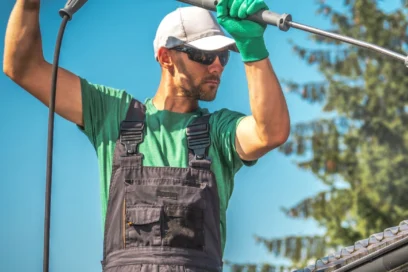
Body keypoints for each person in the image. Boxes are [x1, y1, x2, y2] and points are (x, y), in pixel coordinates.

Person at [3, 0, 290, 271]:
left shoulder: (219, 131)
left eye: (223, 56)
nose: (216, 65)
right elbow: (23, 67)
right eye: (203, 55)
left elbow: (271, 132)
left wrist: (253, 48)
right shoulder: (112, 115)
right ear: (166, 57)